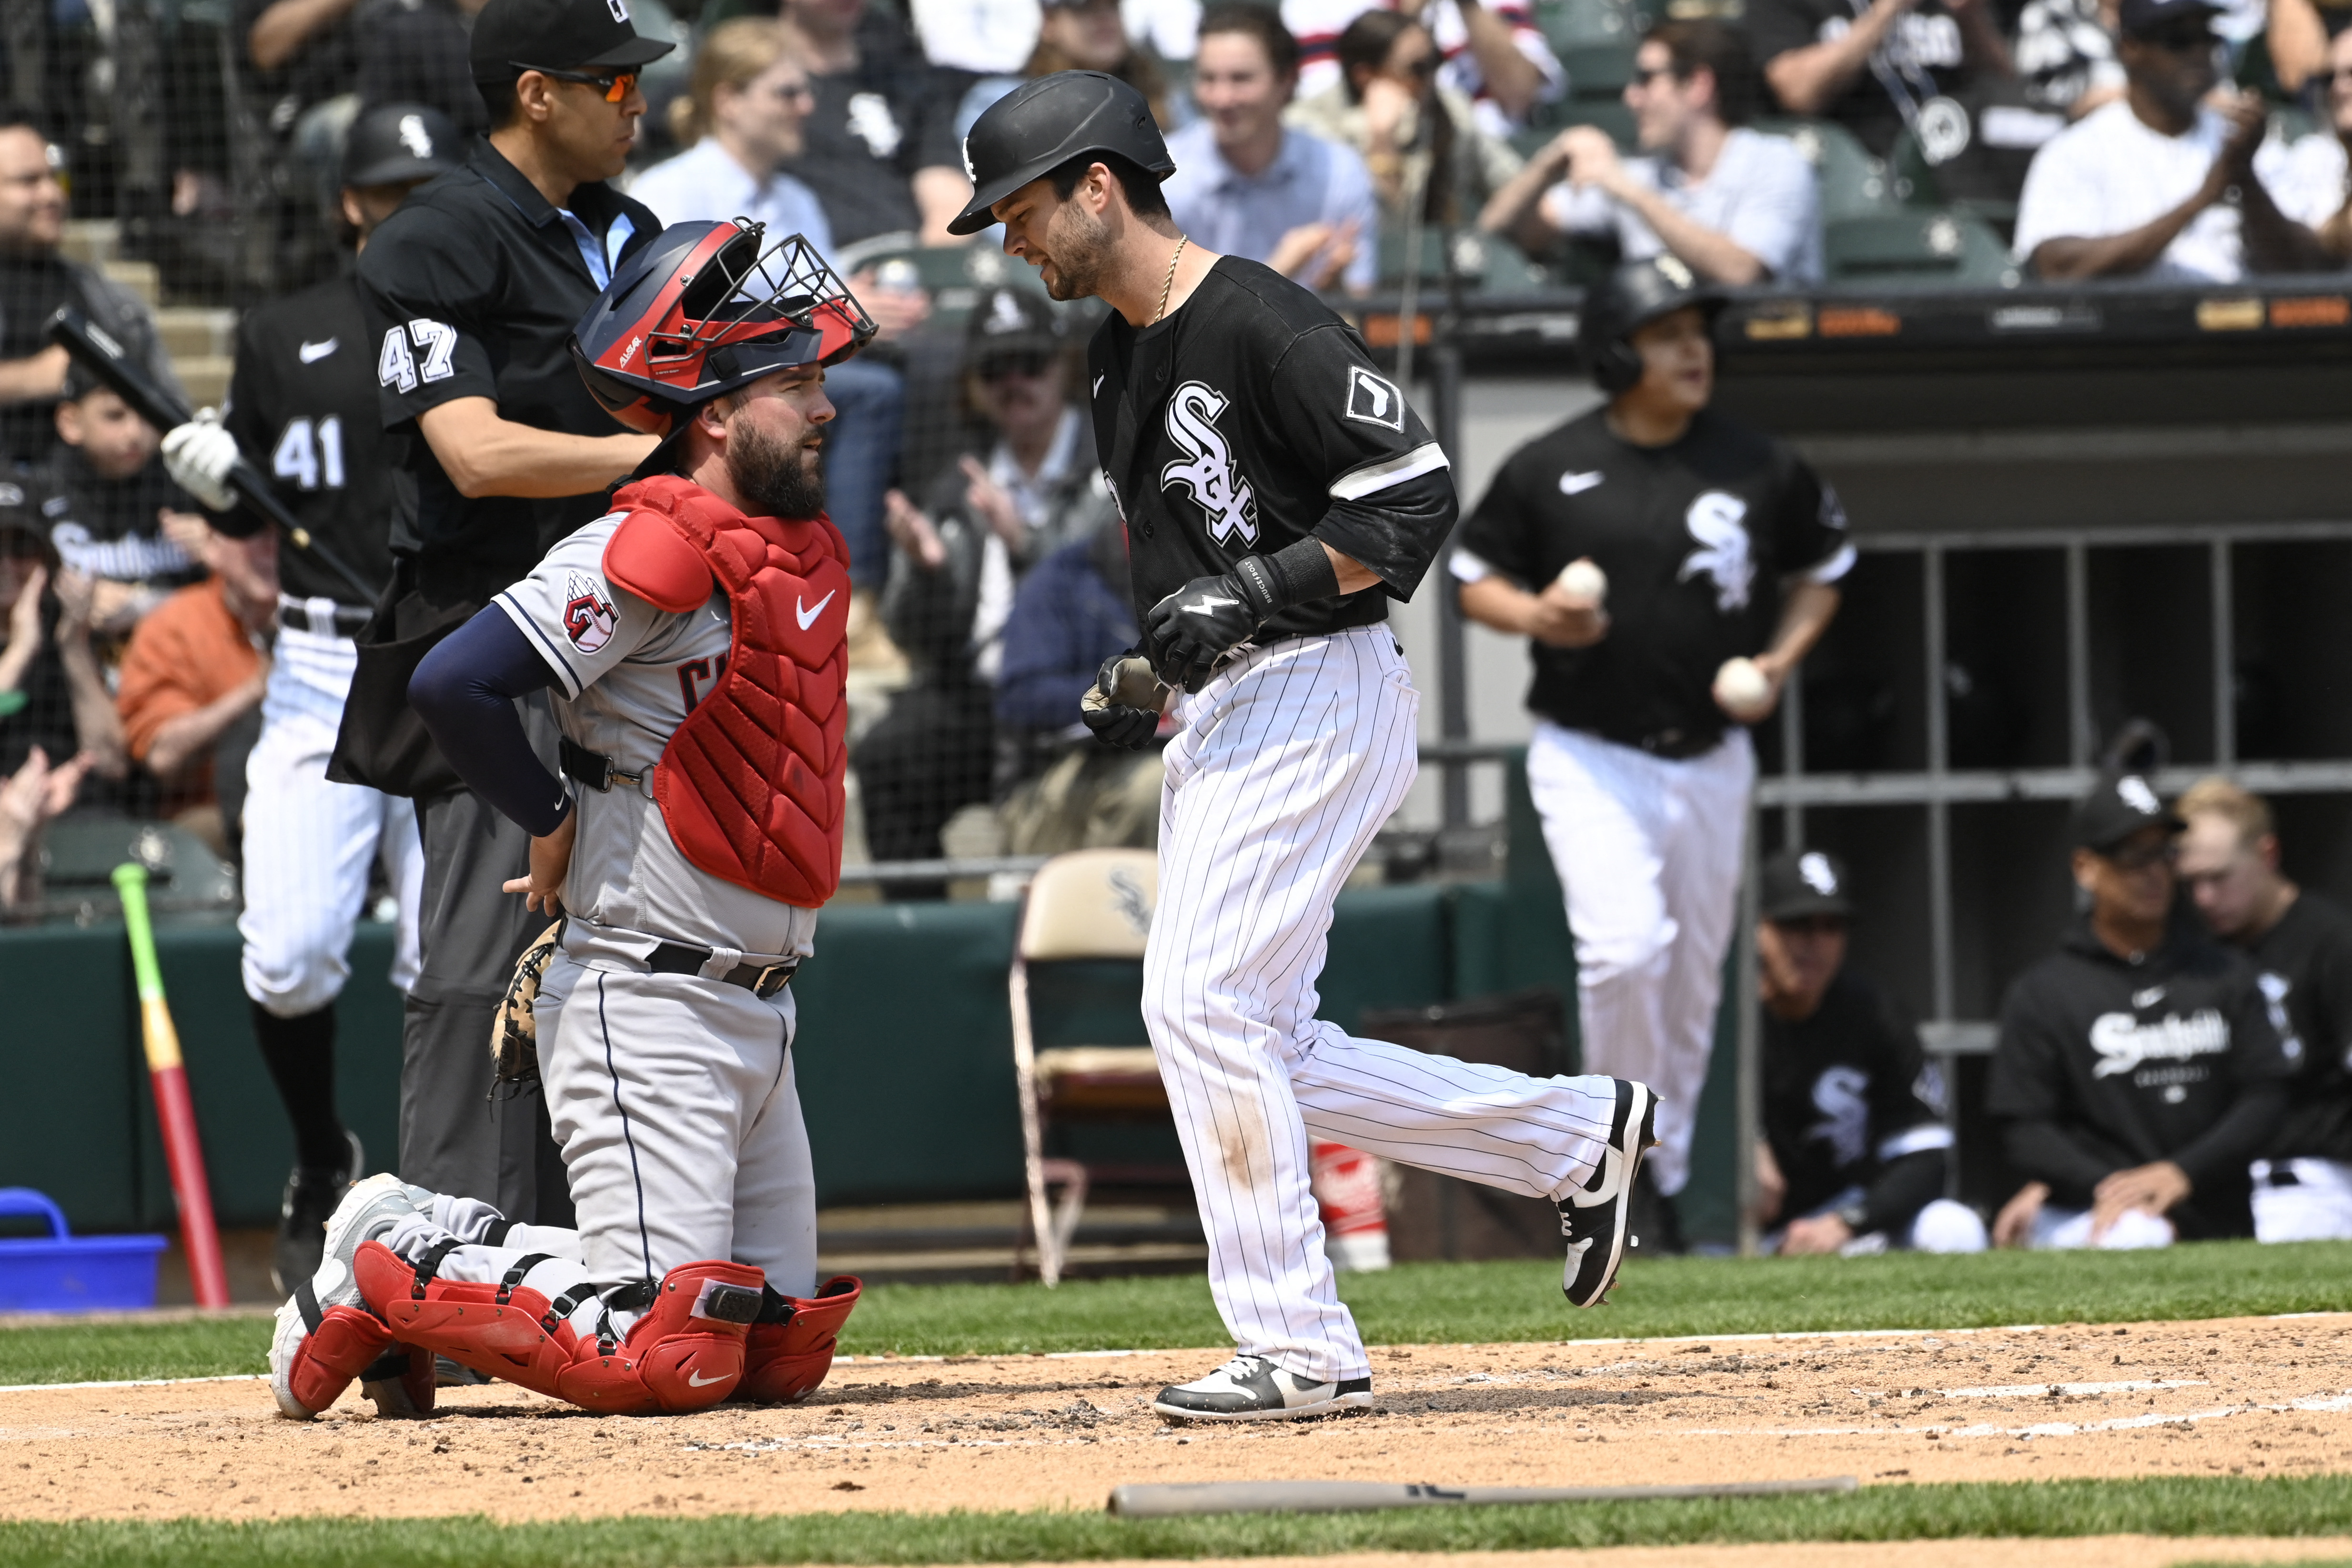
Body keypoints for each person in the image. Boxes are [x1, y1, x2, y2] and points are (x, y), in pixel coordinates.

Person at [956, 70, 1656, 1422]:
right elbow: (1203, 559)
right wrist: (1161, 658)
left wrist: (1261, 594)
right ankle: (1575, 1140)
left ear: (1098, 184)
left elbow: (1414, 493)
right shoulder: (1114, 353)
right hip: (1232, 704)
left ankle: (1301, 1343)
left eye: (1023, 208)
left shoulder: (1258, 317)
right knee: (1262, 1031)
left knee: (1197, 1003)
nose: (1012, 239)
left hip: (1319, 683)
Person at [269, 218, 873, 1423]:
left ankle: (432, 1251)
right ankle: (387, 1248)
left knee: (775, 1354)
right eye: (795, 383)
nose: (825, 407)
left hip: (759, 1008)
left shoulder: (784, 549)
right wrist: (548, 815)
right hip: (643, 997)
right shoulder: (645, 541)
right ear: (711, 410)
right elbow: (457, 682)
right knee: (660, 1351)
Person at [345, 0, 671, 1234]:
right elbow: (472, 454)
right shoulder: (432, 238)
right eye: (616, 84)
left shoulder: (628, 230)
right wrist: (651, 461)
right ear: (538, 93)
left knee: (633, 953)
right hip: (492, 635)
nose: (637, 103)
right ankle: (441, 1268)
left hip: (632, 624)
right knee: (488, 958)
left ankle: (605, 1260)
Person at [1452, 256, 1848, 1251]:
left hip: (1711, 753)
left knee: (1690, 982)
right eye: (1666, 332)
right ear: (1614, 348)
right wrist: (1538, 614)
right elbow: (1469, 577)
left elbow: (1824, 568)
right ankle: (1610, 1155)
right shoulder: (1550, 464)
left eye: (1696, 332)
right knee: (1625, 948)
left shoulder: (1756, 463)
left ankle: (1653, 1174)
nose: (1690, 349)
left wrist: (1778, 656)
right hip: (1588, 753)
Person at [161, 104, 452, 1293]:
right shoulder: (285, 334)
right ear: (350, 204)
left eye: (427, 189)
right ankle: (318, 1159)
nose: (408, 210)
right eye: (389, 191)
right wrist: (217, 483)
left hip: (455, 659)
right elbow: (261, 505)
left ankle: (448, 1195)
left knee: (449, 964)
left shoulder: (493, 320)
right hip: (325, 665)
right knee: (287, 957)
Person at [857, 287, 1112, 882]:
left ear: (1063, 367)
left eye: (1030, 364)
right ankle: (920, 939)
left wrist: (1026, 546)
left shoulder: (1111, 467)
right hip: (979, 699)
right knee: (889, 755)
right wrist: (927, 571)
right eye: (995, 369)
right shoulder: (956, 483)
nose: (1014, 382)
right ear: (973, 382)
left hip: (1080, 689)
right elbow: (913, 635)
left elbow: (1121, 588)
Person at [1987, 772, 2296, 1249]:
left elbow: (2266, 1096)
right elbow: (2025, 1129)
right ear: (2086, 868)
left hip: (2213, 1210)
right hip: (2095, 1211)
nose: (2152, 872)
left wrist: (2180, 1172)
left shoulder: (2223, 973)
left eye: (2163, 853)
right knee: (2137, 1235)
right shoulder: (2044, 991)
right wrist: (2111, 1186)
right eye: (2132, 855)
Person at [1750, 847, 1986, 1255]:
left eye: (1831, 927)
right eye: (1796, 925)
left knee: (1955, 1229)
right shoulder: (1719, 1019)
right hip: (1744, 1227)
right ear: (1757, 929)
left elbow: (1926, 1156)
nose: (1814, 944)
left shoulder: (1873, 1012)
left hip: (1840, 1217)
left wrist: (1848, 1220)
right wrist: (1741, 1146)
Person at [1479, 21, 1821, 287]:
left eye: (1646, 79)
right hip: (1663, 367)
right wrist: (1549, 161)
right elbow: (1497, 230)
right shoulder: (1640, 174)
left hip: (1767, 365)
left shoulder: (1776, 162)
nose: (1631, 97)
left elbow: (1741, 271)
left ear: (1698, 86)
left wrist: (1629, 192)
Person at [2012, 0, 2327, 281]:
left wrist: (2245, 178)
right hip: (2126, 340)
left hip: (2242, 337)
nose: (2200, 54)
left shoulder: (2243, 142)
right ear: (2130, 48)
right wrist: (2200, 200)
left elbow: (2303, 271)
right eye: (2179, 41)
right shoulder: (2078, 150)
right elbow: (2054, 269)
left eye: (2208, 38)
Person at [2176, 778, 2352, 1242]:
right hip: (2205, 1182)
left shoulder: (2331, 943)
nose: (2203, 899)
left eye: (2218, 878)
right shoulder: (2191, 953)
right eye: (2191, 882)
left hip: (2310, 1182)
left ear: (2266, 855)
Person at [0, 113, 181, 469]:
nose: (52, 194)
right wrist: (30, 379)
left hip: (96, 505)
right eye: (29, 181)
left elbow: (173, 408)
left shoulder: (114, 301)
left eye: (54, 178)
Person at [1162, 4, 1381, 295]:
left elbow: (1362, 311)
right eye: (1208, 79)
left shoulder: (1338, 172)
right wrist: (1279, 271)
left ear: (1287, 81)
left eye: (1241, 79)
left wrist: (1338, 295)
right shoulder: (1165, 176)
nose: (1222, 98)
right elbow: (1164, 321)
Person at [992, 520, 1161, 855]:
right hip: (1060, 773)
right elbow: (1020, 697)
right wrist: (1122, 692)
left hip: (1184, 749)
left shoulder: (1204, 574)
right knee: (1156, 786)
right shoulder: (1060, 578)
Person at [1746, 0, 2023, 203]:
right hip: (1858, 180)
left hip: (1964, 174)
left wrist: (1970, 18)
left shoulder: (1938, 6)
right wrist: (1885, 13)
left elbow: (2006, 89)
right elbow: (1798, 92)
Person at [1287, 11, 1524, 233]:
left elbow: (1509, 182)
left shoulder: (1449, 108)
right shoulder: (1310, 130)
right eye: (1418, 69)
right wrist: (1382, 140)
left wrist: (1548, 165)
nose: (1432, 79)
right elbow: (1379, 236)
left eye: (1436, 62)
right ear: (1366, 77)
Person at [112, 524, 274, 846]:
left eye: (279, 536)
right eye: (251, 535)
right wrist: (257, 688)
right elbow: (163, 754)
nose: (269, 550)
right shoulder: (177, 624)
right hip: (212, 815)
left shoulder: (324, 619)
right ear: (212, 545)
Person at [776, 0, 969, 249]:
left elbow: (946, 194)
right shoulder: (760, 88)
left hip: (909, 259)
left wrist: (927, 269)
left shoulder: (903, 77)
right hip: (808, 268)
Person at [629, 20, 833, 252]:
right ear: (728, 101)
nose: (807, 106)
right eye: (787, 93)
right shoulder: (668, 193)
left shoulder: (798, 200)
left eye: (807, 90)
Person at [32, 369, 205, 639]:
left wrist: (218, 550)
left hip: (178, 658)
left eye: (146, 413)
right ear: (70, 422)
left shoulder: (193, 491)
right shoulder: (37, 494)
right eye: (115, 416)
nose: (135, 432)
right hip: (68, 661)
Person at [1285, 0, 1562, 136]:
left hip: (1484, 155)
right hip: (1379, 156)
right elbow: (1336, 109)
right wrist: (1410, 16)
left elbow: (1521, 98)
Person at [955, 0, 1183, 141]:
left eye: (1112, 5)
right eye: (1085, 8)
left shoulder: (1161, 96)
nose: (1104, 18)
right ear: (1049, 22)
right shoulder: (1002, 101)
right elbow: (996, 207)